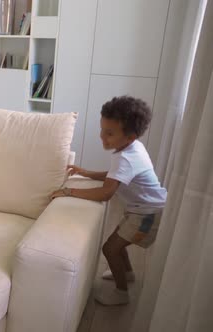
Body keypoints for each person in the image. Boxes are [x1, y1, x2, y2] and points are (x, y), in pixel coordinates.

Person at [51, 96, 167, 305]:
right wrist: (86, 173)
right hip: (140, 210)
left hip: (147, 214)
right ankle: (128, 274)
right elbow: (115, 175)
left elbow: (106, 193)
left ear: (130, 137)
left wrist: (70, 192)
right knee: (116, 244)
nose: (102, 137)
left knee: (110, 249)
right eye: (102, 130)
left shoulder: (126, 158)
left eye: (110, 133)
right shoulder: (132, 149)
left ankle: (122, 293)